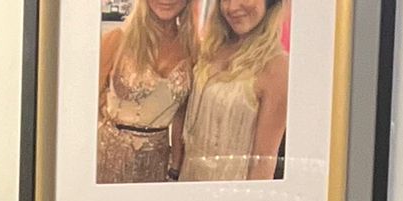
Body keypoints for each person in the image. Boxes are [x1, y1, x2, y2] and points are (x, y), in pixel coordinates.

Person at [181, 0, 289, 181]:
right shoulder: (212, 48)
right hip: (188, 181)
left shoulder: (277, 66)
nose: (231, 7)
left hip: (231, 189)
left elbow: (263, 163)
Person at [97, 0, 195, 185]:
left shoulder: (192, 48)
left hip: (157, 163)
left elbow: (182, 115)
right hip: (109, 158)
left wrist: (175, 168)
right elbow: (85, 104)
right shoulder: (118, 39)